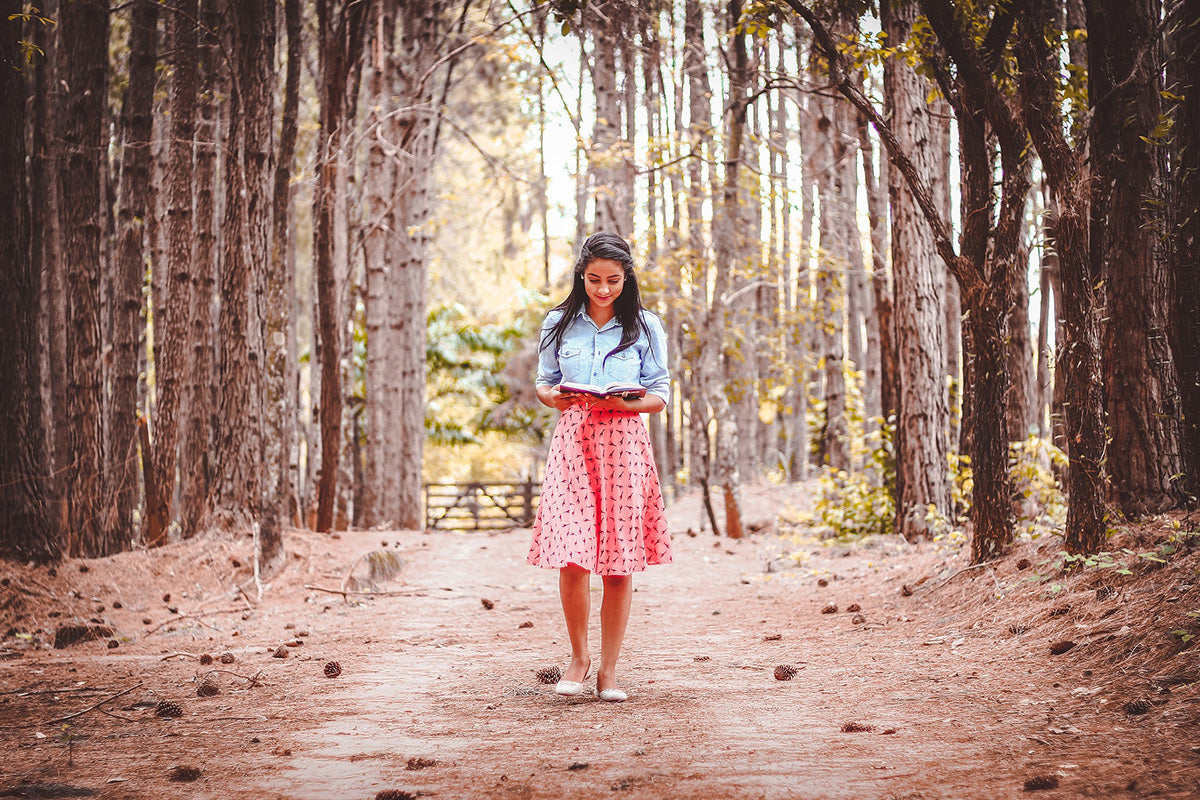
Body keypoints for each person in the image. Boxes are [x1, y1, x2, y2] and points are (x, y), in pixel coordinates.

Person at [528, 231, 673, 703]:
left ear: (626, 277)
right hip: (574, 442)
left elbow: (661, 392)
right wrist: (555, 396)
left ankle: (609, 671)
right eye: (593, 279)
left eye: (612, 280)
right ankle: (579, 657)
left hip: (624, 442)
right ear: (581, 276)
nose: (603, 289)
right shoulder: (557, 322)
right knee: (572, 556)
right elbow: (545, 383)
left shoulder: (646, 325)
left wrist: (632, 402)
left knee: (617, 561)